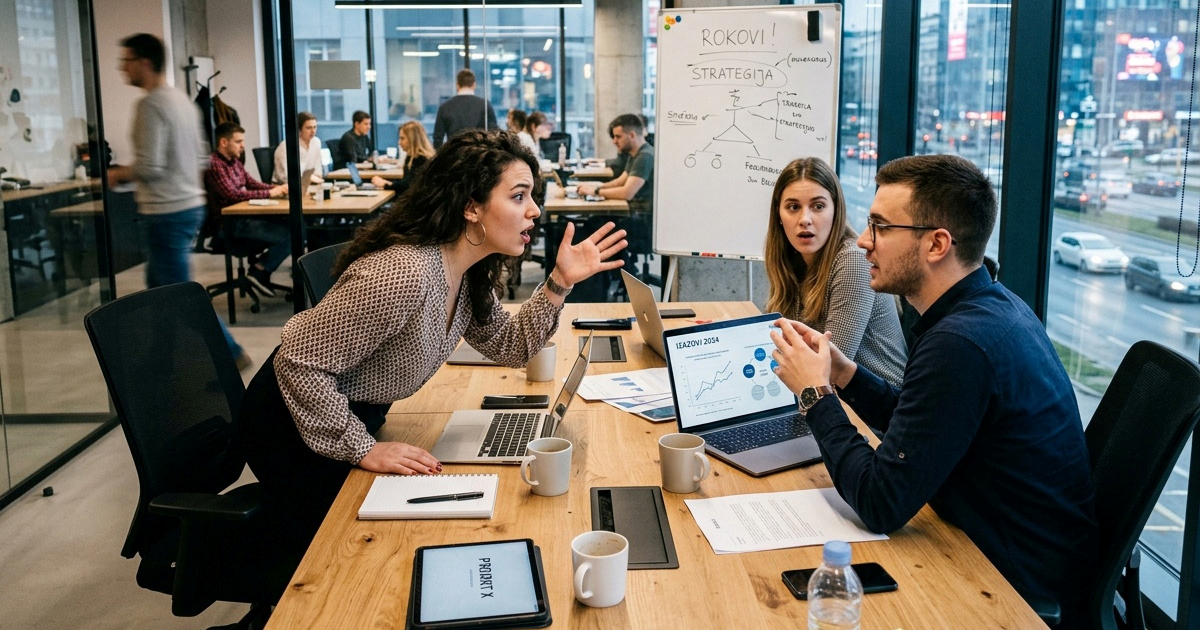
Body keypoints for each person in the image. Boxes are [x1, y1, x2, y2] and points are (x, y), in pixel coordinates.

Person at [239, 129, 627, 555]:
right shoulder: (402, 273)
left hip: (351, 414)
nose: (534, 210)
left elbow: (510, 345)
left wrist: (559, 282)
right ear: (471, 208)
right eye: (518, 196)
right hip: (293, 425)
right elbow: (299, 361)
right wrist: (362, 447)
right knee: (377, 548)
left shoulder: (466, 271)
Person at [768, 154, 1098, 627]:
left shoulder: (959, 344)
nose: (863, 242)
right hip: (999, 540)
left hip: (1011, 584)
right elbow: (920, 419)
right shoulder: (989, 307)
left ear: (937, 244)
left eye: (880, 227)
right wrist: (843, 375)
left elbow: (880, 504)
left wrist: (815, 396)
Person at [106, 33, 251, 369]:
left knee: (176, 290)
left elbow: (150, 165)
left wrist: (115, 175)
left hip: (166, 211)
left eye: (126, 61)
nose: (122, 68)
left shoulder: (151, 104)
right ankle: (163, 354)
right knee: (159, 285)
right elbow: (202, 157)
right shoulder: (182, 101)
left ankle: (230, 350)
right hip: (189, 206)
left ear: (144, 62)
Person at [764, 157, 906, 388]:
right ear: (779, 216)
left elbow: (827, 369)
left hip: (877, 410)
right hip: (828, 399)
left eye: (818, 206)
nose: (805, 220)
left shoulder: (853, 260)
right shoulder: (789, 260)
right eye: (793, 207)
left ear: (835, 211)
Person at [204, 121, 291, 297]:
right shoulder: (214, 164)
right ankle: (259, 271)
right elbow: (232, 195)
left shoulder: (234, 162)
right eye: (238, 141)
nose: (243, 145)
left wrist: (277, 189)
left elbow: (252, 184)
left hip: (245, 218)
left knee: (293, 226)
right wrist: (269, 194)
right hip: (230, 225)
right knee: (290, 236)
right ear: (223, 142)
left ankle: (259, 272)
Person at [432, 68, 498, 149]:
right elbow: (494, 133)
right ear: (474, 85)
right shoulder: (484, 105)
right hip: (478, 155)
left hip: (455, 154)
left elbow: (438, 139)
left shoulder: (445, 107)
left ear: (457, 85)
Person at [369, 120, 434, 195]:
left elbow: (409, 185)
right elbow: (407, 183)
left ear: (412, 139)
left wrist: (385, 184)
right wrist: (388, 183)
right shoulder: (412, 157)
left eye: (402, 138)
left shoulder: (420, 159)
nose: (399, 142)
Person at [273, 111, 323, 185]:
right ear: (299, 129)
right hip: (284, 185)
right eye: (308, 128)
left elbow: (318, 171)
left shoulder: (316, 142)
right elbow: (289, 176)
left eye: (315, 127)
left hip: (309, 183)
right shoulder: (287, 145)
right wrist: (311, 178)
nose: (313, 131)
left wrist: (315, 177)